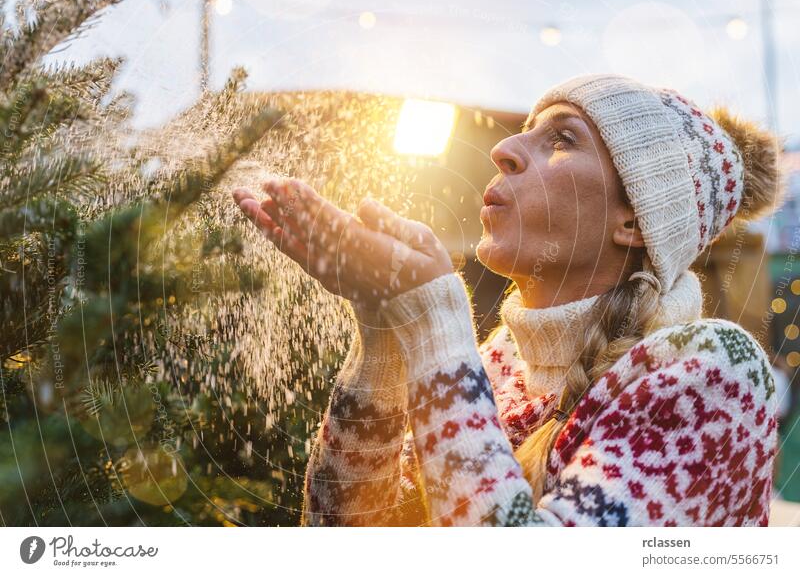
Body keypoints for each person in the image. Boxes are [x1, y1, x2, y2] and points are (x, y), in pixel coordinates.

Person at [233, 74, 786, 526]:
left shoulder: (714, 375)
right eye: (526, 132)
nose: (502, 150)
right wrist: (383, 330)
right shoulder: (496, 364)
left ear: (636, 221)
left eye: (563, 140)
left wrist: (433, 318)